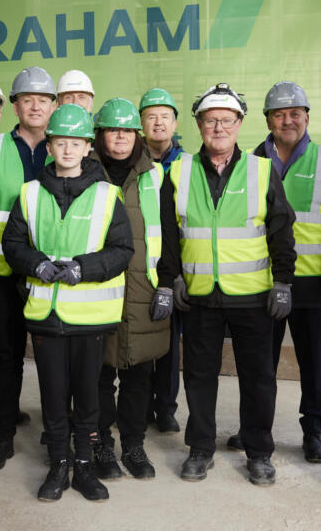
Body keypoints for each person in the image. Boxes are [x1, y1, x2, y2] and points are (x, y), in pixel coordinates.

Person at [158, 83, 297, 486]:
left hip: (253, 297)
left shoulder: (261, 170)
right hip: (199, 295)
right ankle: (200, 448)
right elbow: (169, 234)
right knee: (199, 376)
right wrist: (171, 281)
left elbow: (282, 231)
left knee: (258, 378)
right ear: (199, 125)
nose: (219, 127)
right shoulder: (180, 171)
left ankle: (259, 452)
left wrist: (283, 282)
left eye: (227, 120)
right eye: (211, 120)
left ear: (239, 125)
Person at [2, 103, 133, 501]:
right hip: (47, 315)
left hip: (90, 318)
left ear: (86, 147)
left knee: (89, 398)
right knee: (53, 397)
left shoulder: (108, 196)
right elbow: (13, 244)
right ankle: (58, 466)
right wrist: (36, 264)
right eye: (61, 143)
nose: (68, 150)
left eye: (75, 143)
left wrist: (82, 268)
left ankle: (84, 468)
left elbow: (122, 249)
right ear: (51, 146)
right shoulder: (30, 193)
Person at [226, 82, 321, 463]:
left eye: (294, 113)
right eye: (279, 114)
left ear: (306, 116)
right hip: (263, 282)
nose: (288, 121)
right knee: (258, 363)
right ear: (268, 120)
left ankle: (314, 431)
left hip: (314, 282)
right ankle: (254, 427)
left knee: (314, 361)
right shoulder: (252, 161)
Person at [0, 66, 56, 472]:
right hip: (2, 272)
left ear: (54, 106)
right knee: (5, 357)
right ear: (14, 106)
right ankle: (1, 437)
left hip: (52, 273)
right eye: (27, 99)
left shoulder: (67, 146)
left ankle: (59, 436)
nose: (35, 105)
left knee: (57, 358)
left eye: (43, 99)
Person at [88, 98, 170, 481]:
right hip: (95, 290)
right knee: (99, 373)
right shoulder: (84, 175)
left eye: (125, 131)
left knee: (139, 373)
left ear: (136, 136)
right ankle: (101, 443)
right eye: (111, 130)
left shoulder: (156, 177)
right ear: (99, 136)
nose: (119, 137)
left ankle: (133, 446)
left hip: (142, 289)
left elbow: (169, 236)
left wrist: (167, 285)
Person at [139, 87, 184, 434]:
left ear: (175, 122)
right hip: (139, 265)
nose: (158, 123)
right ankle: (138, 408)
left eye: (164, 116)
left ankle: (166, 408)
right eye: (151, 116)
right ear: (141, 124)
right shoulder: (131, 163)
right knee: (139, 338)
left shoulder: (188, 166)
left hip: (177, 268)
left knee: (170, 342)